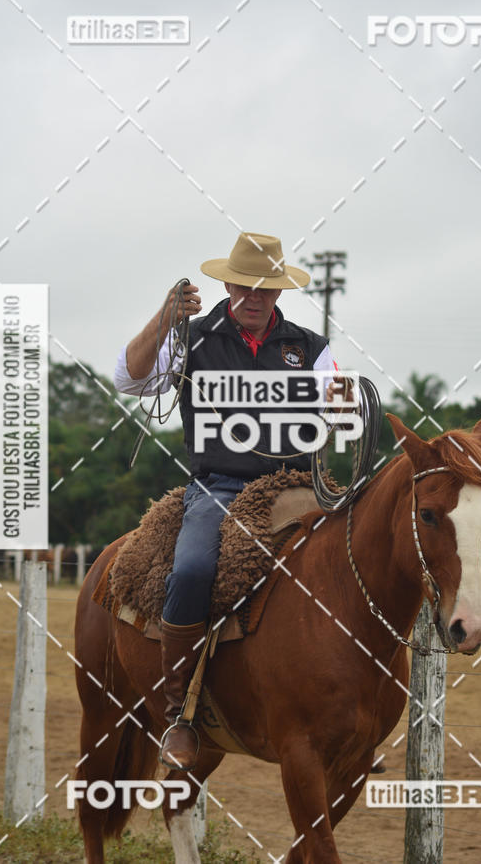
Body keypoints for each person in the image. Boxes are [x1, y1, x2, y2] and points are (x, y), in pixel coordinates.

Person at [114, 232, 344, 770]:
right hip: (219, 486)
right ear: (227, 283)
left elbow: (341, 414)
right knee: (192, 570)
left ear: (280, 291)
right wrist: (166, 316)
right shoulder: (192, 337)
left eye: (266, 288)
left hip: (297, 486)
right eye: (245, 286)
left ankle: (349, 706)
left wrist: (337, 412)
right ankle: (179, 714)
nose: (255, 297)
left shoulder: (310, 347)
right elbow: (130, 378)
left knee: (355, 557)